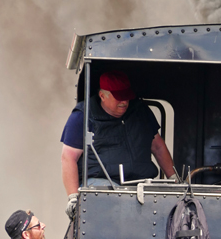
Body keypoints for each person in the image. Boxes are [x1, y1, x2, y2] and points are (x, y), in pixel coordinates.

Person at [61, 71, 175, 218]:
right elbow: (68, 157)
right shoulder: (82, 115)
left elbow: (158, 147)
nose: (124, 102)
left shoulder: (140, 111)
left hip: (143, 184)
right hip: (101, 185)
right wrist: (73, 197)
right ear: (102, 95)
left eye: (127, 96)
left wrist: (173, 180)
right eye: (119, 97)